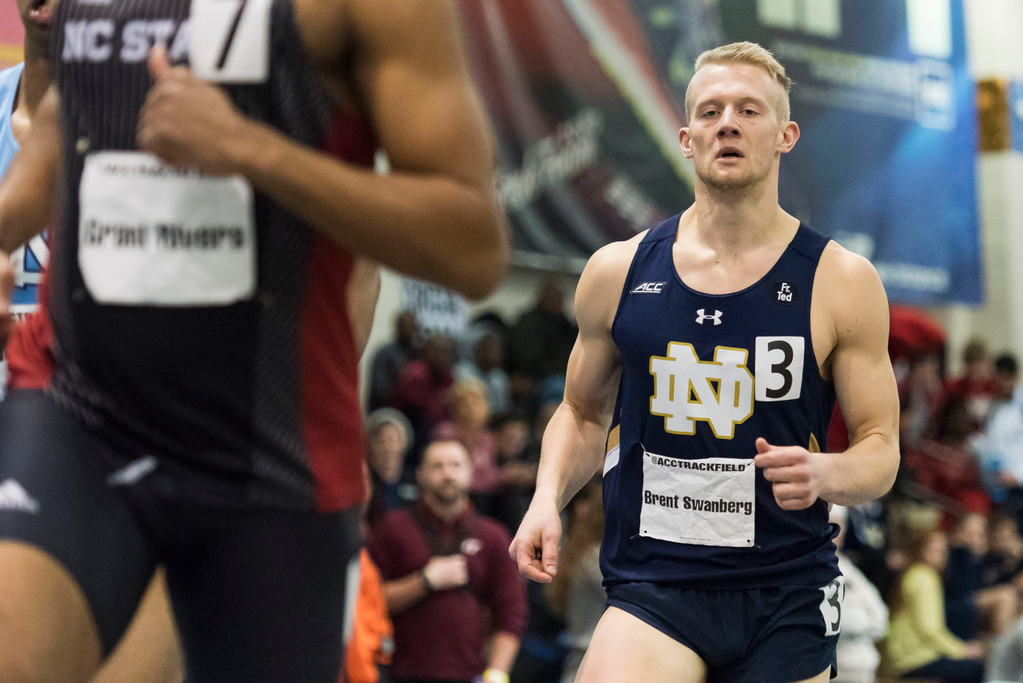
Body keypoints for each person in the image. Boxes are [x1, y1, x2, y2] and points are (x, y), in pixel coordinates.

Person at [0, 0, 510, 680]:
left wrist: (249, 149)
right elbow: (65, 132)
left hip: (267, 446)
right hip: (82, 410)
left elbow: (472, 246)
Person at [509, 41, 900, 683]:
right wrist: (546, 497)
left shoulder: (841, 282)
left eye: (749, 110)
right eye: (712, 111)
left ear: (785, 135)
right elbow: (581, 412)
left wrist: (828, 473)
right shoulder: (618, 271)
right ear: (687, 139)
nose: (728, 123)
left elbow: (882, 450)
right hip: (656, 585)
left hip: (785, 593)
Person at [367, 438, 527, 683]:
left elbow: (512, 611)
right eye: (437, 466)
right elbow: (368, 600)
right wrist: (423, 581)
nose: (447, 474)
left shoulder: (493, 536)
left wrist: (497, 674)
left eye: (455, 465)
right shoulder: (393, 528)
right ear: (420, 474)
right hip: (400, 673)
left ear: (469, 472)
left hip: (471, 674)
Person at [884, 527, 986, 683]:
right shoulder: (925, 577)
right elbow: (929, 629)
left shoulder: (913, 573)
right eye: (933, 550)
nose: (940, 555)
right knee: (978, 669)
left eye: (942, 550)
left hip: (905, 658)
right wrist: (962, 650)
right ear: (920, 549)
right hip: (914, 659)